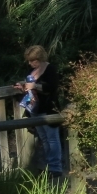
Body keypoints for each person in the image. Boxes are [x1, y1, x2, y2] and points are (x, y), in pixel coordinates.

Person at [14, 45, 63, 183]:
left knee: (53, 139)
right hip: (35, 108)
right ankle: (49, 167)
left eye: (33, 60)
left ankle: (56, 168)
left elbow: (51, 87)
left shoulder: (50, 69)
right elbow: (30, 86)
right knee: (44, 139)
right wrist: (22, 85)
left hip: (48, 108)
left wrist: (35, 86)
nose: (30, 63)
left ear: (40, 58)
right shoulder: (32, 71)